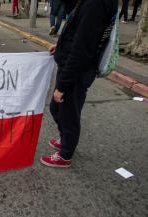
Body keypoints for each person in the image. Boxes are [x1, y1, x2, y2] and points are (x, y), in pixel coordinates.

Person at [40, 0, 118, 167]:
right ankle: (67, 141)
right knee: (58, 109)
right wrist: (60, 46)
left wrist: (62, 86)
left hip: (76, 71)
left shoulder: (95, 5)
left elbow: (82, 48)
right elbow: (77, 31)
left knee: (68, 115)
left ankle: (65, 155)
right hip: (73, 65)